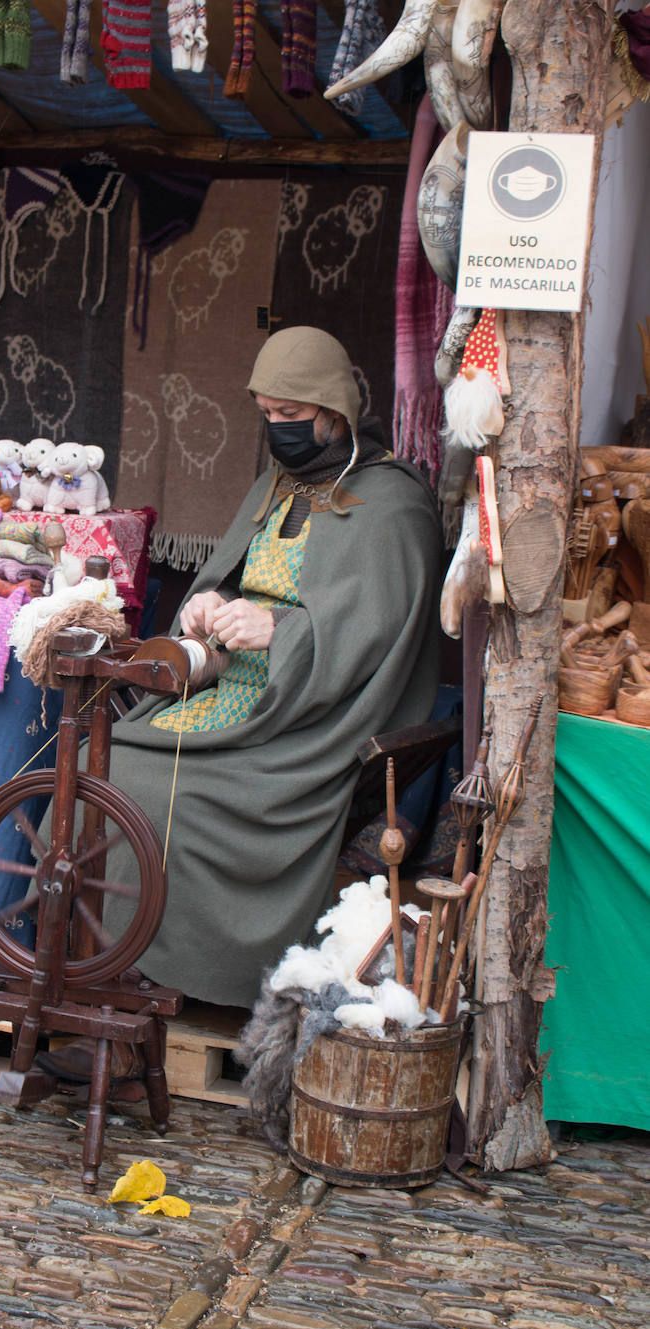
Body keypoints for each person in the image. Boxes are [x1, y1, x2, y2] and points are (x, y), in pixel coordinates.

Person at [101, 326, 443, 1010]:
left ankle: (160, 981)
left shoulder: (393, 504)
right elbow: (231, 578)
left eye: (291, 415)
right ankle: (113, 973)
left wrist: (278, 630)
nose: (277, 430)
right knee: (107, 755)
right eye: (266, 415)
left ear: (335, 411)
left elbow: (375, 642)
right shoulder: (275, 488)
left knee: (145, 782)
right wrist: (209, 611)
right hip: (229, 694)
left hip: (309, 723)